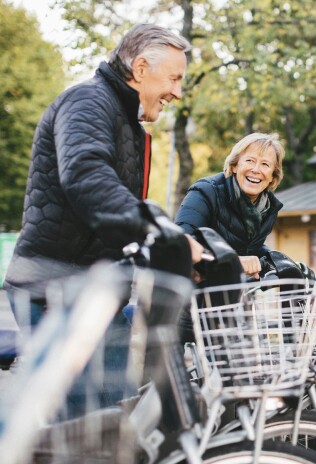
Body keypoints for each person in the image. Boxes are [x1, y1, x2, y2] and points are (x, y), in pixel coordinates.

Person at [4, 23, 203, 418]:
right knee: (87, 428)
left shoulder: (127, 121)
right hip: (53, 289)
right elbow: (87, 178)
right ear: (141, 68)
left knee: (109, 423)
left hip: (87, 289)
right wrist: (161, 230)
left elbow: (110, 224)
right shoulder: (88, 102)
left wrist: (169, 251)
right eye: (174, 79)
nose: (177, 92)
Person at [175, 132, 285, 280]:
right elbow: (181, 243)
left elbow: (250, 248)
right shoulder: (205, 192)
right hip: (191, 292)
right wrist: (233, 261)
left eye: (265, 164)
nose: (256, 169)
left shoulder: (268, 208)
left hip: (232, 296)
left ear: (272, 176)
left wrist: (281, 263)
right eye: (250, 161)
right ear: (234, 166)